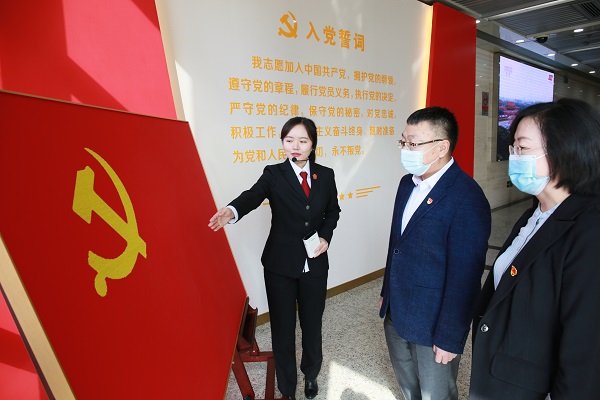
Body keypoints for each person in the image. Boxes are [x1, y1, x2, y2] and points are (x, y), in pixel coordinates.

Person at [470, 98, 600, 399]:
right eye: (513, 148)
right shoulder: (535, 213)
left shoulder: (589, 230)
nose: (514, 157)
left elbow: (585, 347)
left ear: (564, 151)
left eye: (523, 148)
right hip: (501, 376)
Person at [208, 116, 340, 400]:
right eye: (289, 140)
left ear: (313, 144)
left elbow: (333, 212)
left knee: (312, 324)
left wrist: (325, 237)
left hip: (315, 262)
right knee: (282, 328)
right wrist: (232, 211)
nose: (295, 146)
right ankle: (287, 388)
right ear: (282, 143)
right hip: (279, 264)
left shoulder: (326, 175)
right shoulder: (274, 174)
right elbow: (252, 195)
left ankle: (311, 374)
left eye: (302, 140)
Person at [379, 106, 491, 400]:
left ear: (441, 147)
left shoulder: (466, 197)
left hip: (433, 322)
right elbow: (396, 244)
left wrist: (451, 336)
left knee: (436, 393)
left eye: (413, 143)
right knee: (408, 386)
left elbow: (466, 278)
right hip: (396, 310)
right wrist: (386, 291)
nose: (405, 149)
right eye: (403, 142)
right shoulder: (407, 184)